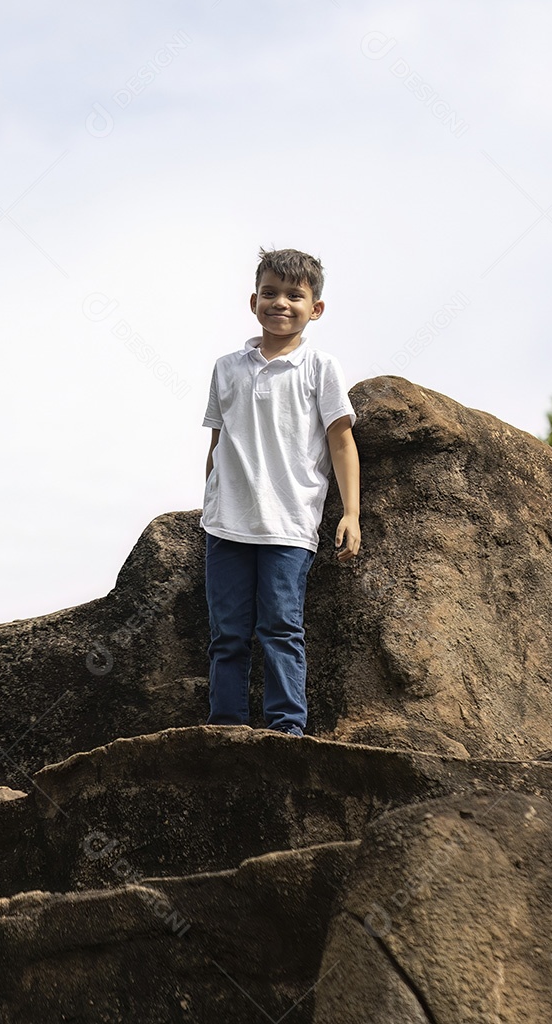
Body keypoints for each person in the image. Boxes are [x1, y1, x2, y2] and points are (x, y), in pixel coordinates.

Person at [200, 247, 360, 736]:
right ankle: (226, 727)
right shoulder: (227, 368)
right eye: (270, 293)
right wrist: (208, 503)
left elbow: (341, 440)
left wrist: (351, 513)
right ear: (253, 301)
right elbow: (215, 442)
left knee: (280, 629)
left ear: (316, 309)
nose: (280, 303)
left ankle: (286, 731)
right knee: (227, 635)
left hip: (290, 524)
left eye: (295, 295)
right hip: (227, 524)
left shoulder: (320, 367)